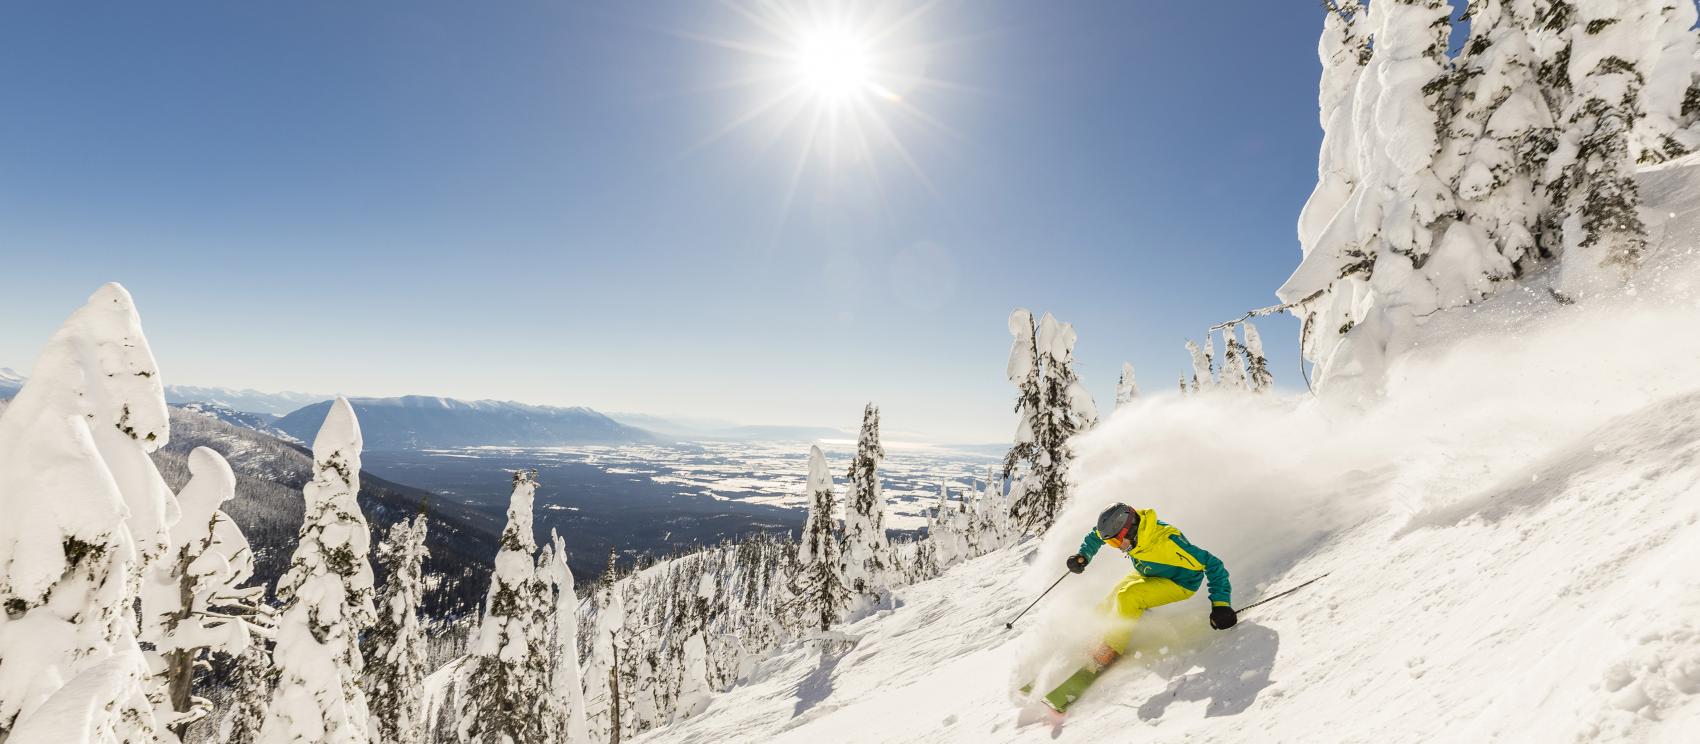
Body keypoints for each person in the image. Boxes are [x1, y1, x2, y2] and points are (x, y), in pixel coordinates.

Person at [1065, 503, 1234, 667]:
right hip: (1149, 572)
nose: (1116, 547)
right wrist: (1083, 555)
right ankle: (1099, 635)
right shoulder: (1130, 529)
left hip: (1179, 582)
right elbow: (1097, 535)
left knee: (1128, 596)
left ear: (1130, 530)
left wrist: (1221, 605)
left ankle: (1112, 648)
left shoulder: (1167, 541)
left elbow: (1213, 564)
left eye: (1116, 542)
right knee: (1109, 602)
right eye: (1111, 544)